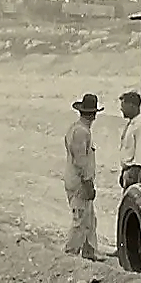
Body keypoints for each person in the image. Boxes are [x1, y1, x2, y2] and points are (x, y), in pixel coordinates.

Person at [62, 93, 103, 260]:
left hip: (77, 180)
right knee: (80, 220)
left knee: (89, 219)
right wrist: (88, 184)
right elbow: (80, 161)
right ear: (93, 114)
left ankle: (89, 251)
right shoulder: (81, 132)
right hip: (79, 182)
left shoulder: (78, 129)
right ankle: (69, 254)